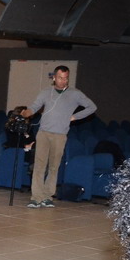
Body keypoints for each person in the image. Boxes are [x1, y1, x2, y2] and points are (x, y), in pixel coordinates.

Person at [22, 65, 97, 208]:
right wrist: (26, 113)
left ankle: (47, 196)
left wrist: (74, 117)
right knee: (39, 166)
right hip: (43, 133)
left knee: (53, 167)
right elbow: (34, 107)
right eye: (60, 78)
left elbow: (92, 107)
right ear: (54, 78)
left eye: (66, 78)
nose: (63, 81)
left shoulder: (75, 94)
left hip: (60, 135)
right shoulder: (46, 92)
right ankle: (36, 197)